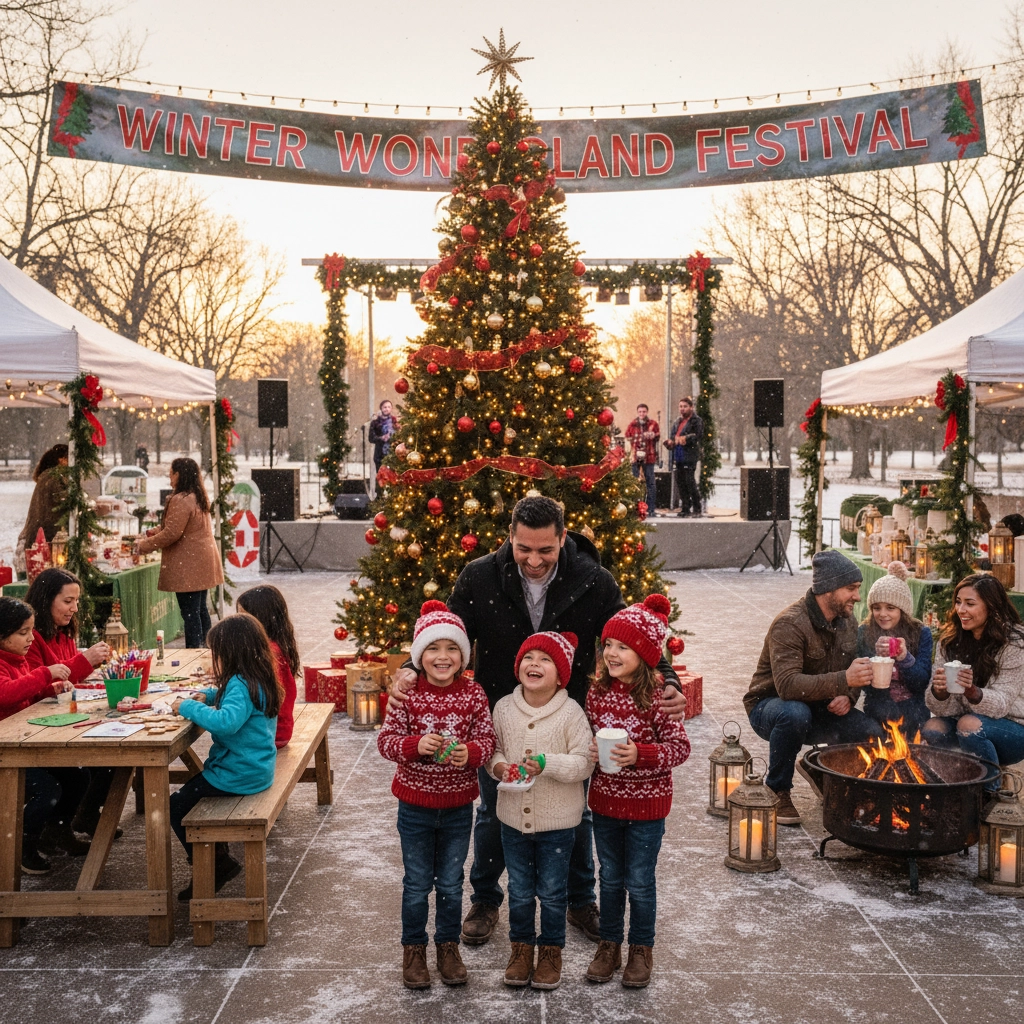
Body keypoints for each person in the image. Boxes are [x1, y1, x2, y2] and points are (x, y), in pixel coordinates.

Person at [389, 495, 685, 948]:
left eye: (545, 550)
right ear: (511, 537)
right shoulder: (480, 575)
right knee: (493, 810)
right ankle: (486, 899)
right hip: (500, 712)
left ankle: (579, 899)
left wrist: (666, 678)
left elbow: (634, 629)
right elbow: (444, 632)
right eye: (523, 548)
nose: (533, 559)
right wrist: (411, 668)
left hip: (570, 714)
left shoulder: (593, 579)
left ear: (562, 539)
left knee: (573, 812)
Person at [377, 601, 495, 990]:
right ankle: (413, 950)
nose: (442, 657)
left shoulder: (474, 693)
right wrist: (415, 745)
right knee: (416, 884)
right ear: (419, 655)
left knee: (449, 882)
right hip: (414, 806)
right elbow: (386, 742)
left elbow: (488, 739)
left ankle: (447, 946)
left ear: (463, 655)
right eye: (432, 649)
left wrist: (471, 753)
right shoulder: (407, 694)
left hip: (459, 807)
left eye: (451, 649)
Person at [584, 594, 690, 989]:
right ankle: (609, 944)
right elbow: (588, 739)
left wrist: (639, 754)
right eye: (608, 644)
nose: (611, 653)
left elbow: (679, 748)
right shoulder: (597, 692)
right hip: (607, 802)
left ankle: (641, 949)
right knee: (610, 877)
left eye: (623, 647)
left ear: (644, 654)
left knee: (640, 880)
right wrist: (595, 752)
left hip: (648, 806)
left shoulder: (658, 695)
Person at [488, 631, 594, 990]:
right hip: (513, 819)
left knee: (551, 891)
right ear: (518, 666)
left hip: (558, 824)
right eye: (529, 657)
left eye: (545, 659)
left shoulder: (571, 712)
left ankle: (550, 950)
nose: (535, 664)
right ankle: (521, 948)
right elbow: (494, 750)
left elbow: (583, 764)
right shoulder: (503, 708)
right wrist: (499, 767)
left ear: (561, 675)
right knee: (519, 889)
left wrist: (546, 763)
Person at [745, 550, 881, 825]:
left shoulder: (847, 621)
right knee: (794, 713)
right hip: (770, 708)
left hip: (820, 707)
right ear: (828, 589)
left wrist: (848, 694)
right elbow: (787, 686)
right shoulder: (790, 623)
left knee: (869, 732)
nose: (857, 597)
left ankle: (830, 777)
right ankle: (777, 788)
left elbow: (854, 669)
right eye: (851, 589)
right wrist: (844, 680)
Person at [170, 613, 281, 900]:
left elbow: (226, 722)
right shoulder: (256, 675)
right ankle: (216, 858)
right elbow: (228, 698)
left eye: (216, 653)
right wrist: (207, 695)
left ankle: (215, 865)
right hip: (255, 768)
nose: (213, 658)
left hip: (238, 774)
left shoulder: (239, 685)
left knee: (176, 805)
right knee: (191, 795)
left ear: (230, 654)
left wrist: (187, 707)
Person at [0, 596, 88, 874]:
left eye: (31, 631)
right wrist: (44, 675)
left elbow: (28, 693)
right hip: (6, 753)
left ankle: (58, 831)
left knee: (77, 775)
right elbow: (6, 694)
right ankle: (22, 847)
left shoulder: (19, 659)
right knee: (47, 790)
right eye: (22, 632)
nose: (30, 639)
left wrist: (52, 688)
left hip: (24, 744)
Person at [24, 568, 113, 838]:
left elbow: (67, 679)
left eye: (76, 601)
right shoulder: (31, 638)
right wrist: (85, 660)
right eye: (67, 601)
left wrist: (91, 675)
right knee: (85, 769)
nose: (74, 608)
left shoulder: (63, 632)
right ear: (46, 599)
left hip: (65, 718)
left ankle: (75, 821)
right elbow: (39, 685)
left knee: (110, 759)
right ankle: (45, 833)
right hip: (38, 729)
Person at [921, 573, 1024, 789]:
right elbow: (937, 707)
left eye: (970, 604)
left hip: (1013, 727)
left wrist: (973, 692)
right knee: (932, 727)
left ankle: (989, 794)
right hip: (962, 720)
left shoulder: (1013, 643)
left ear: (992, 607)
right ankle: (950, 788)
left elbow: (1003, 703)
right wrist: (940, 692)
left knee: (969, 725)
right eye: (958, 602)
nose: (961, 610)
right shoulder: (949, 643)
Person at [136, 457, 223, 648]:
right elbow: (179, 526)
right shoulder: (197, 496)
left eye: (171, 474)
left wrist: (143, 545)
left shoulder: (181, 499)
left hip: (189, 566)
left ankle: (194, 653)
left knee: (190, 613)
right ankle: (207, 648)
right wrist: (155, 532)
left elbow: (172, 533)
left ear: (179, 474)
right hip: (202, 561)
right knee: (200, 610)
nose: (169, 478)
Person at [855, 561, 933, 736]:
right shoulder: (865, 632)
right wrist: (875, 659)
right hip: (878, 705)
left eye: (890, 608)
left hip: (914, 706)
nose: (882, 614)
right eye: (877, 608)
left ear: (902, 610)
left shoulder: (920, 633)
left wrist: (905, 658)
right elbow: (865, 686)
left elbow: (921, 682)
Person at [236, 585, 299, 748]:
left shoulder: (268, 654)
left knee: (224, 735)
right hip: (278, 729)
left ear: (261, 618)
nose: (238, 622)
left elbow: (244, 693)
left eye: (244, 616)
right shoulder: (273, 646)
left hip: (270, 734)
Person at [16, 444, 68, 574]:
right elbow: (65, 502)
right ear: (61, 459)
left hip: (40, 538)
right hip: (46, 540)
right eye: (69, 459)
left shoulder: (47, 476)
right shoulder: (54, 477)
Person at [665, 397, 703, 517]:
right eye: (680, 406)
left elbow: (698, 436)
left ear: (691, 407)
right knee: (681, 483)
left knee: (690, 482)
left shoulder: (696, 421)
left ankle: (697, 507)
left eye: (685, 406)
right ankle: (685, 507)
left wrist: (686, 438)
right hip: (678, 455)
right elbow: (673, 436)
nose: (682, 409)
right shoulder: (677, 421)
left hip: (689, 455)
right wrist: (670, 442)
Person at [625, 404, 659, 517]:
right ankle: (635, 508)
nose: (642, 414)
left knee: (650, 483)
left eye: (644, 411)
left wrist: (653, 435)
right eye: (640, 411)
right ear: (637, 412)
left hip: (649, 456)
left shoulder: (653, 424)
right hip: (635, 457)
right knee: (634, 483)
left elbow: (658, 436)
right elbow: (627, 436)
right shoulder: (632, 424)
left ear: (647, 412)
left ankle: (651, 508)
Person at [369, 400, 398, 475]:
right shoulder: (375, 422)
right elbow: (371, 438)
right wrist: (381, 438)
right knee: (381, 478)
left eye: (389, 407)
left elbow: (399, 436)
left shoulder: (394, 421)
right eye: (384, 407)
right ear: (381, 408)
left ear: (391, 408)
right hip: (380, 455)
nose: (387, 409)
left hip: (393, 455)